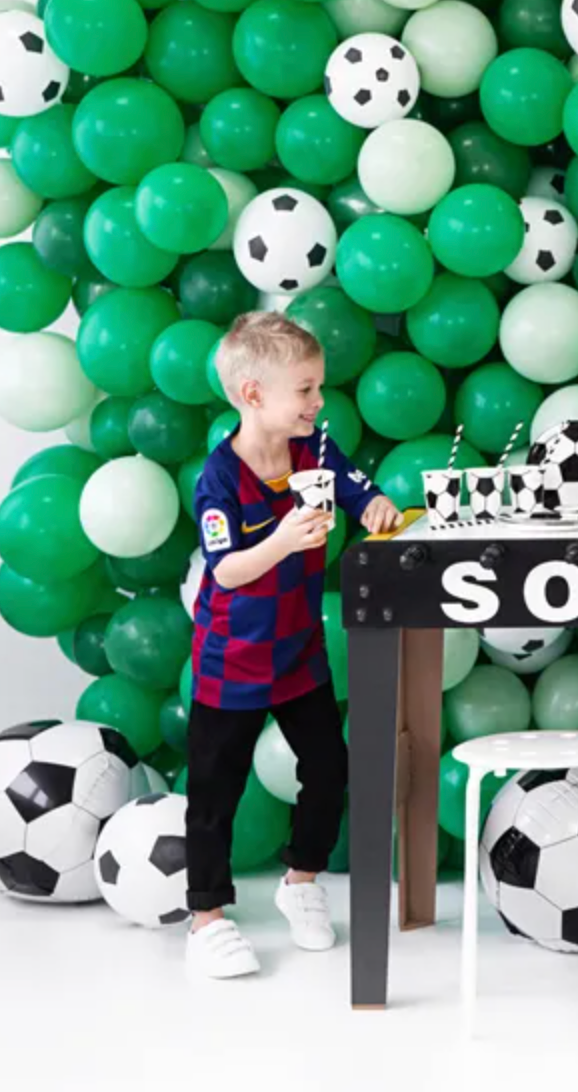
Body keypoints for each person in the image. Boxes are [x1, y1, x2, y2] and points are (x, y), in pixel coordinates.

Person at [185, 312, 401, 978]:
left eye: (318, 387)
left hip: (299, 652)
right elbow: (227, 570)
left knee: (329, 769)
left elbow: (359, 490)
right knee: (216, 792)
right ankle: (206, 919)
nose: (318, 401)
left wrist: (375, 506)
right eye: (305, 390)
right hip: (233, 659)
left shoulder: (316, 453)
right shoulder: (220, 479)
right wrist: (282, 540)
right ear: (253, 394)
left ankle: (301, 881)